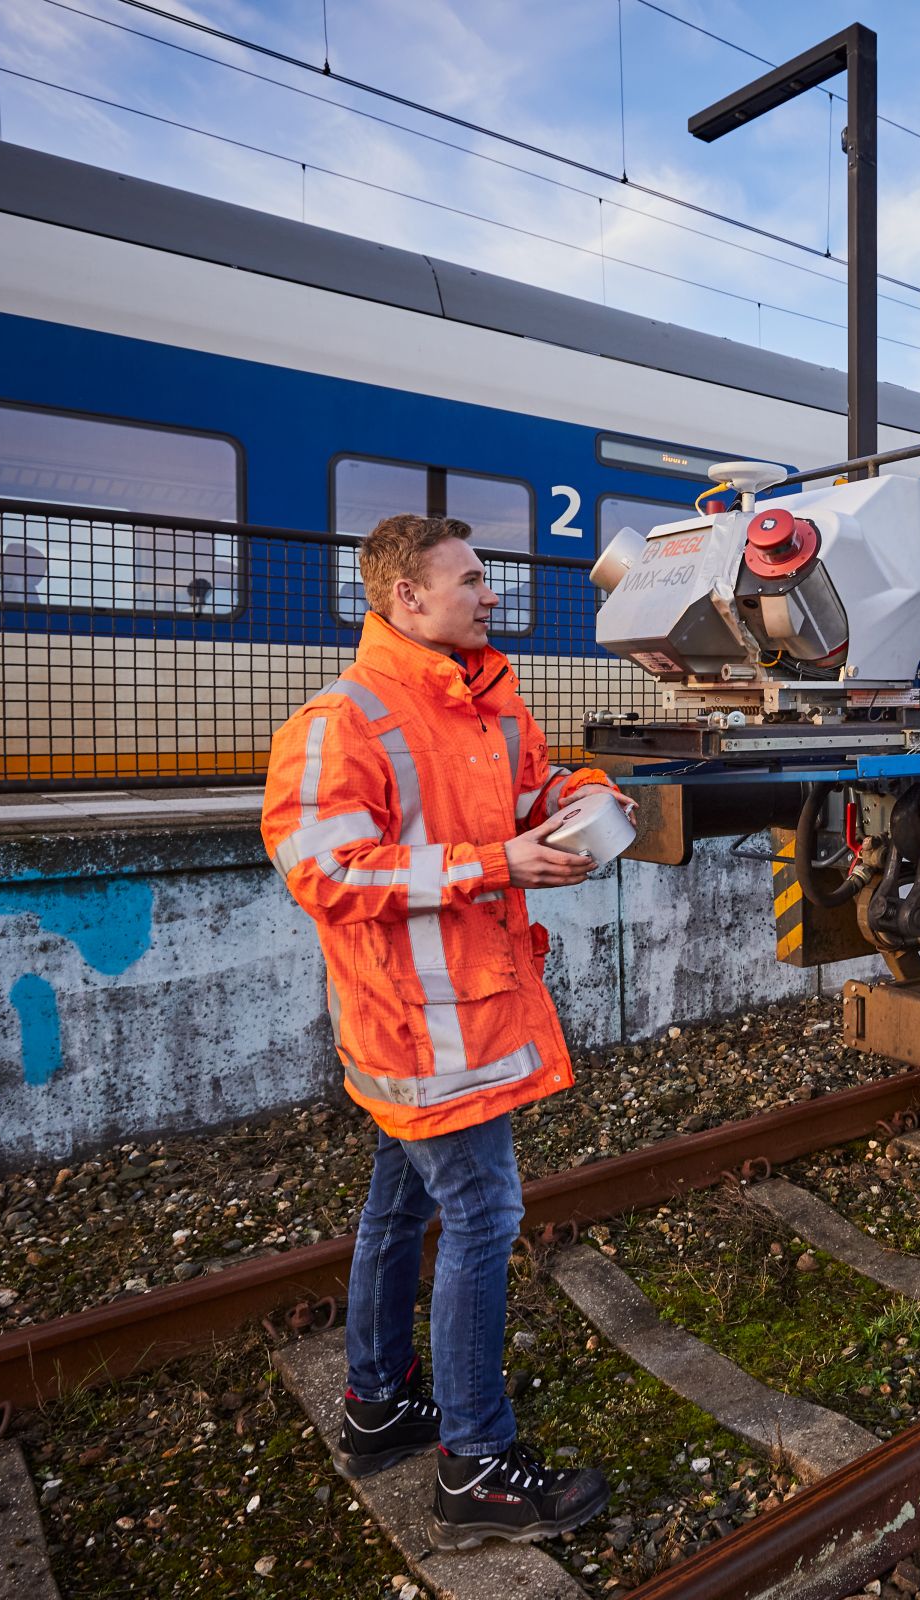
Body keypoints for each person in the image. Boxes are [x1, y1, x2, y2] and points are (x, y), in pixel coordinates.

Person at [261, 513, 629, 1549]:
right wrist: (496, 863)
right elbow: (325, 872)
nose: (491, 594)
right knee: (481, 1216)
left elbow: (533, 789)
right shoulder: (341, 721)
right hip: (421, 1031)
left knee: (399, 1205)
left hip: (456, 1018)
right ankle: (475, 1466)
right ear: (406, 598)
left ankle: (379, 1404)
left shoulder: (485, 702)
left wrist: (588, 796)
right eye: (470, 579)